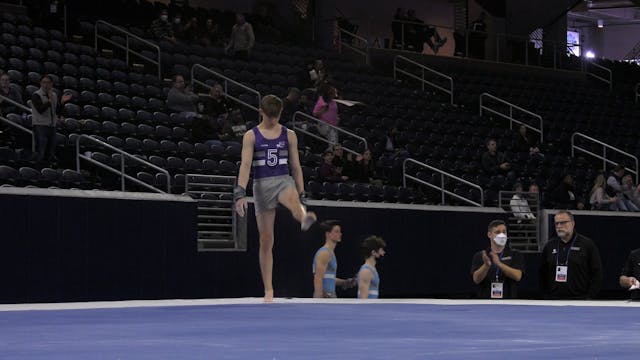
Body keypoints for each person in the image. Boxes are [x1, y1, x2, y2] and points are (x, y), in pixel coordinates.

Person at [234, 95, 317, 302]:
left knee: (289, 196)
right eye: (269, 117)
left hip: (282, 180)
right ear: (260, 112)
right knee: (266, 239)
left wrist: (302, 192)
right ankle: (268, 289)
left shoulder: (289, 135)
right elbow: (245, 165)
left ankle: (302, 214)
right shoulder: (251, 136)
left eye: (276, 117)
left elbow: (296, 166)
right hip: (261, 185)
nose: (273, 121)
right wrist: (240, 192)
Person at [539, 211, 603, 300]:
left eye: (563, 222)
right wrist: (546, 296)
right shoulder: (550, 246)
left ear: (572, 224)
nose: (559, 226)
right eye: (556, 223)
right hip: (554, 300)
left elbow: (597, 274)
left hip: (580, 299)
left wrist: (589, 297)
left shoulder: (586, 244)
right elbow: (542, 274)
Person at [470, 220, 524, 299]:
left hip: (509, 301)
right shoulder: (481, 255)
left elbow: (518, 276)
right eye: (497, 232)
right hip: (485, 301)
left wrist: (499, 264)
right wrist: (486, 266)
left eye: (504, 232)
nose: (501, 235)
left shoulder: (515, 254)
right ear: (489, 235)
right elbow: (476, 279)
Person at [30, 75, 72, 162]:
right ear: (40, 84)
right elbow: (40, 109)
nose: (46, 85)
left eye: (48, 83)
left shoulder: (54, 95)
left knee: (50, 152)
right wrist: (49, 100)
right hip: (40, 126)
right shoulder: (36, 95)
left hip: (52, 126)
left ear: (52, 84)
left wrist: (62, 102)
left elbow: (56, 110)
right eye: (44, 82)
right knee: (41, 152)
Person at [312, 220, 356, 298]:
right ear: (328, 234)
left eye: (340, 231)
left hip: (330, 295)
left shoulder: (330, 253)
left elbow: (329, 278)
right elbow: (318, 278)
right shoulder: (324, 253)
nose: (340, 234)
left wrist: (345, 282)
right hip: (325, 296)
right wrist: (318, 301)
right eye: (336, 231)